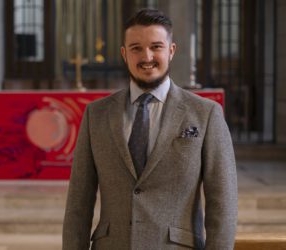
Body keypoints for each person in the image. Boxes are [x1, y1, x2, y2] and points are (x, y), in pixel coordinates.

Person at [62, 8, 237, 250]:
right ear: (124, 54)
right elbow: (78, 204)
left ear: (171, 50)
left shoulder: (205, 114)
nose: (147, 56)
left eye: (156, 46)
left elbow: (223, 203)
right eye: (136, 48)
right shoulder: (96, 115)